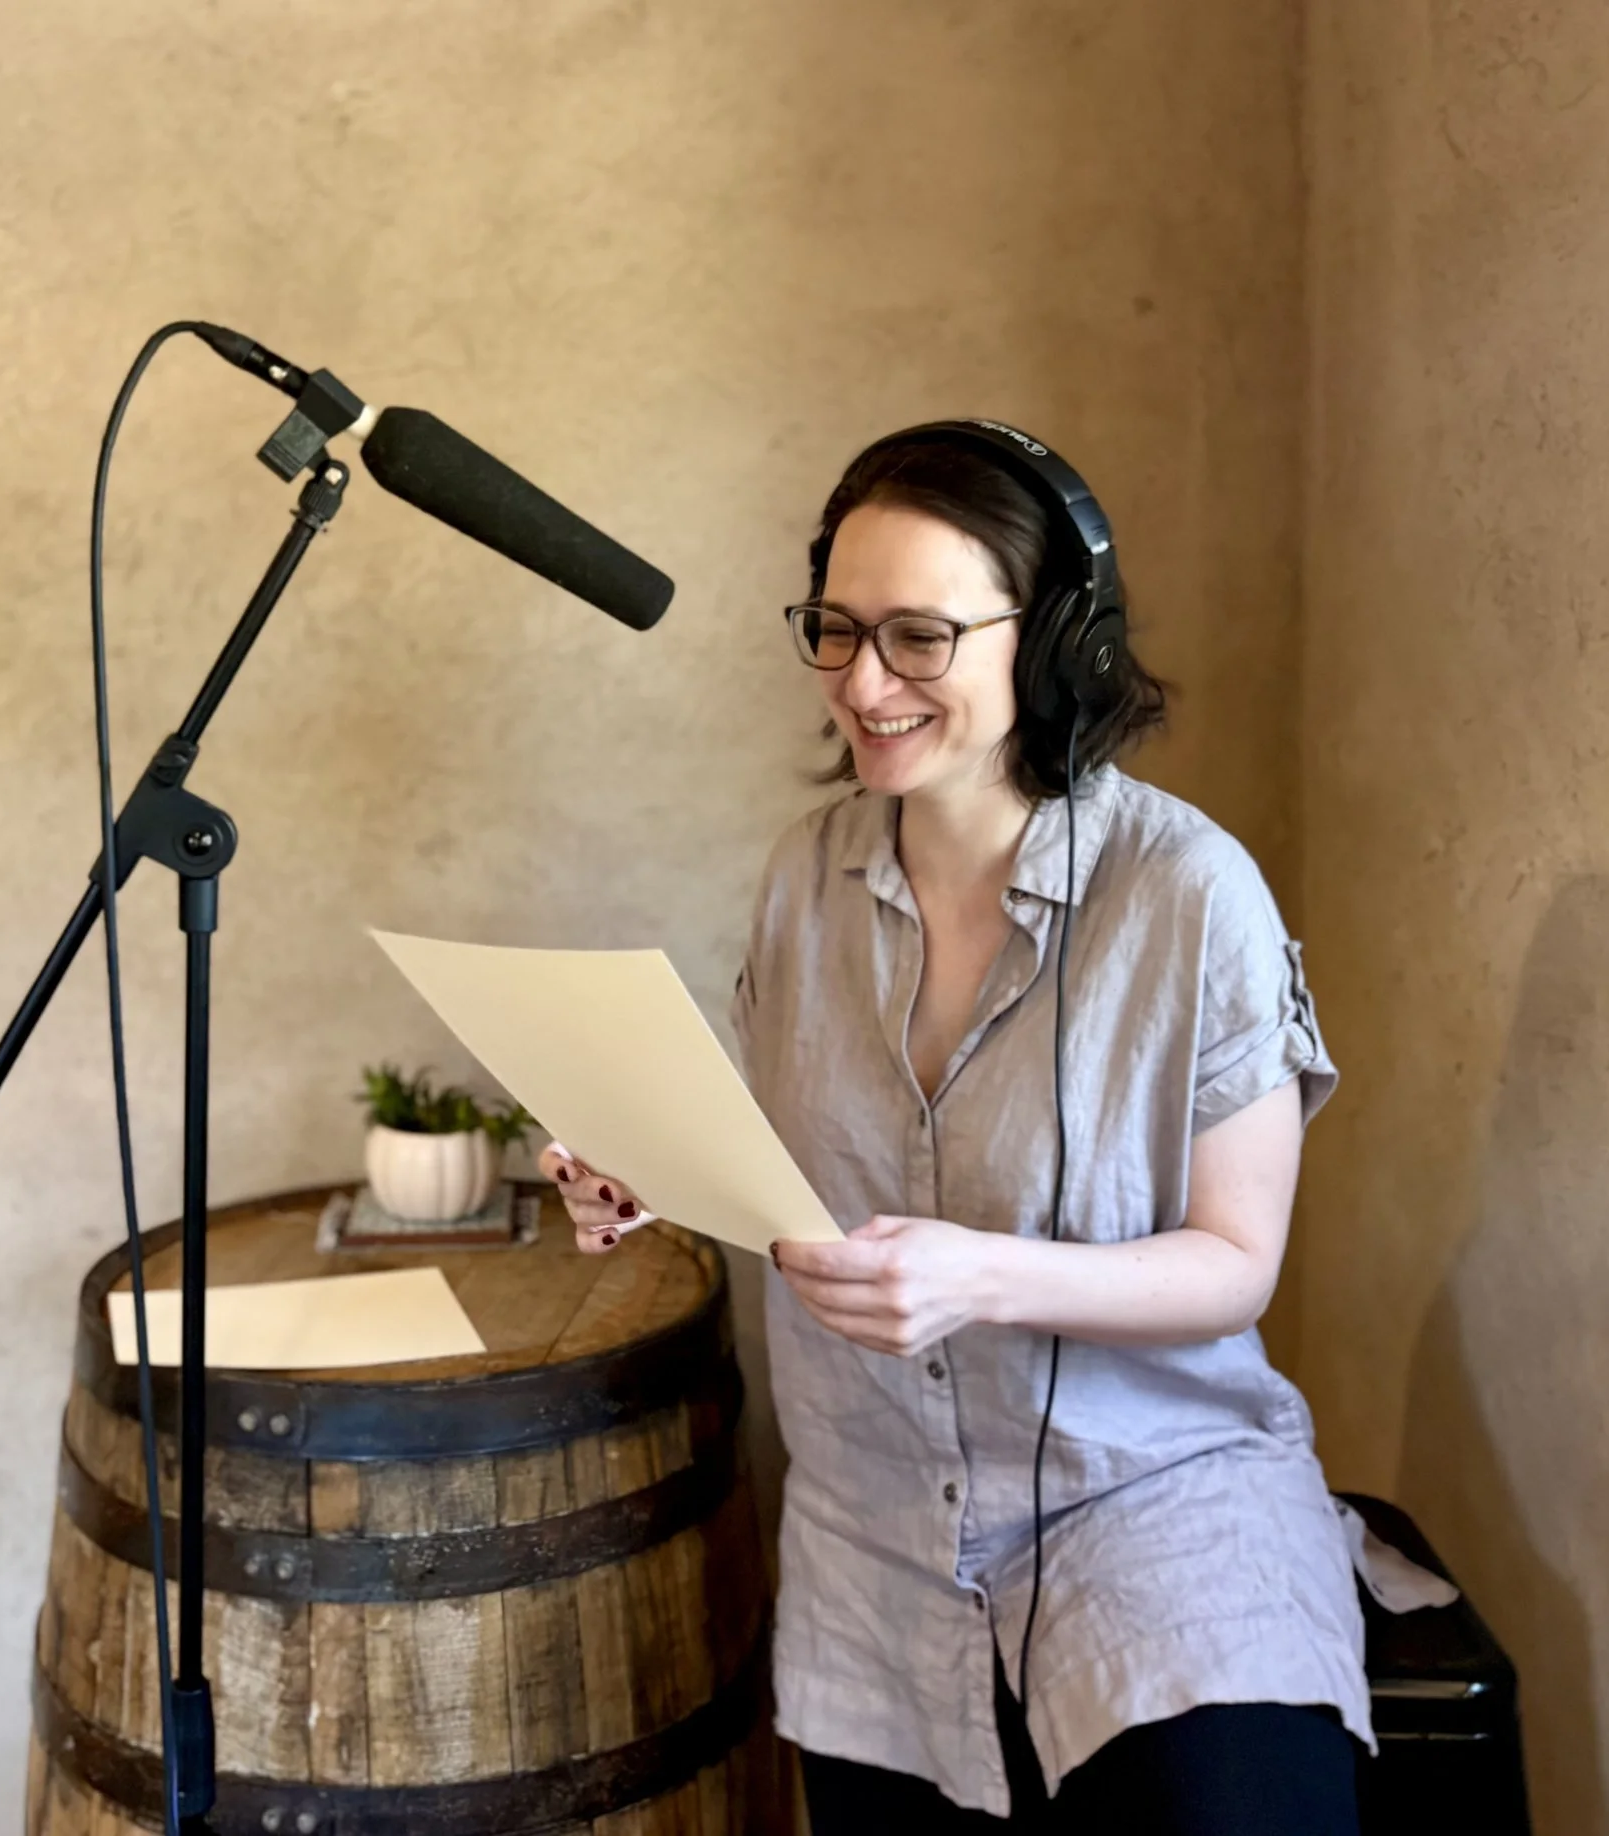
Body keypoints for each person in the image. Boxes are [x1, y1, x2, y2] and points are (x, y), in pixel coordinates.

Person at [540, 426, 1368, 1833]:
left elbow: (1237, 1263)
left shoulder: (1190, 893)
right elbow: (786, 1161)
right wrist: (652, 1169)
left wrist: (980, 1275)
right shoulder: (802, 880)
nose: (866, 685)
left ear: (1053, 643)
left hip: (1157, 1515)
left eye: (920, 637)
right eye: (838, 631)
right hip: (875, 1549)